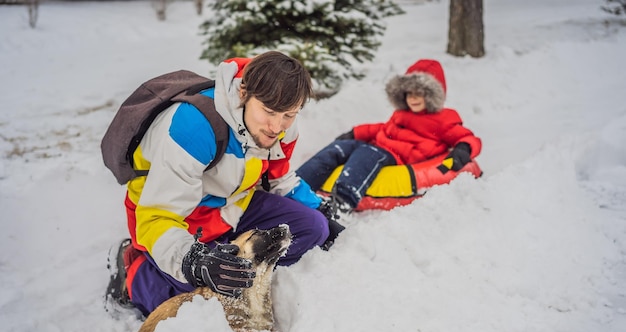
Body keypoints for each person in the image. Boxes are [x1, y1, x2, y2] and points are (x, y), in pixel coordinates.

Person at [105, 51, 341, 317]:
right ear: (243, 93)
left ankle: (234, 272)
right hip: (177, 218)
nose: (277, 126)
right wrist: (195, 262)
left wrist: (318, 209)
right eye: (269, 112)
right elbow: (158, 217)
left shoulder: (282, 126)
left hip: (233, 206)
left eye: (289, 114)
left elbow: (278, 177)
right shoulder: (193, 128)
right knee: (205, 304)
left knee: (313, 229)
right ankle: (135, 273)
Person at [296, 59, 482, 217]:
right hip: (380, 147)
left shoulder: (443, 118)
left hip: (398, 157)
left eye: (420, 93)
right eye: (409, 93)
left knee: (366, 153)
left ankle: (343, 202)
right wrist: (355, 133)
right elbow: (382, 129)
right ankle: (297, 187)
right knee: (339, 148)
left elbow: (466, 137)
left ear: (432, 94)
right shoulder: (402, 113)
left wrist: (463, 149)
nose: (413, 98)